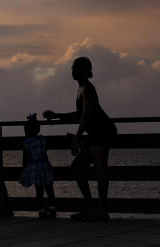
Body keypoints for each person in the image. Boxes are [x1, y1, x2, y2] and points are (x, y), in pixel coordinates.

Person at [43, 56, 117, 221]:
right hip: (94, 134)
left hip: (102, 132)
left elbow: (87, 114)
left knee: (100, 168)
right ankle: (91, 207)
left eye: (77, 68)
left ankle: (102, 210)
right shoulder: (81, 88)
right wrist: (57, 116)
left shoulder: (88, 88)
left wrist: (77, 137)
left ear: (86, 71)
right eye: (73, 68)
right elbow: (79, 114)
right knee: (77, 167)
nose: (74, 71)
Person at [18, 113, 56, 219]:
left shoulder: (26, 143)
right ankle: (52, 208)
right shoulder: (42, 140)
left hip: (34, 168)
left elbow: (25, 159)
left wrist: (24, 169)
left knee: (39, 191)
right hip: (44, 165)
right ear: (38, 129)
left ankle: (41, 210)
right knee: (49, 189)